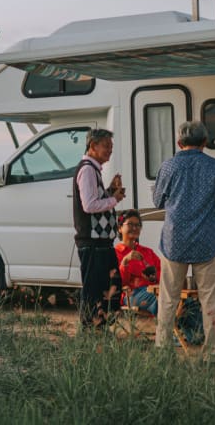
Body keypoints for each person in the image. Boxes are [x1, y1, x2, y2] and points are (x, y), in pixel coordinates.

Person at [152, 121, 215, 364]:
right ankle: (212, 354)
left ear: (179, 143)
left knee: (168, 298)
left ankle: (163, 351)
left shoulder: (168, 167)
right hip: (207, 241)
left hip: (174, 241)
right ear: (205, 143)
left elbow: (158, 201)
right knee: (210, 299)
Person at [73, 128, 126, 328]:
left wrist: (110, 190)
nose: (110, 150)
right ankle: (91, 327)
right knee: (95, 289)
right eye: (106, 146)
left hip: (100, 241)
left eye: (111, 147)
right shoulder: (87, 170)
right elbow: (89, 205)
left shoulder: (92, 170)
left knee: (107, 286)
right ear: (93, 146)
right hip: (92, 241)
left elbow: (95, 199)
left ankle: (98, 325)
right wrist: (114, 199)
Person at [114, 209, 160, 316]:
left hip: (154, 290)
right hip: (131, 294)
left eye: (138, 225)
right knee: (164, 300)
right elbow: (117, 283)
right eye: (130, 224)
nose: (134, 228)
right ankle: (170, 330)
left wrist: (154, 277)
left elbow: (162, 271)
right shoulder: (115, 253)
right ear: (120, 228)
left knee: (186, 302)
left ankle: (196, 332)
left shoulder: (148, 252)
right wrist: (125, 261)